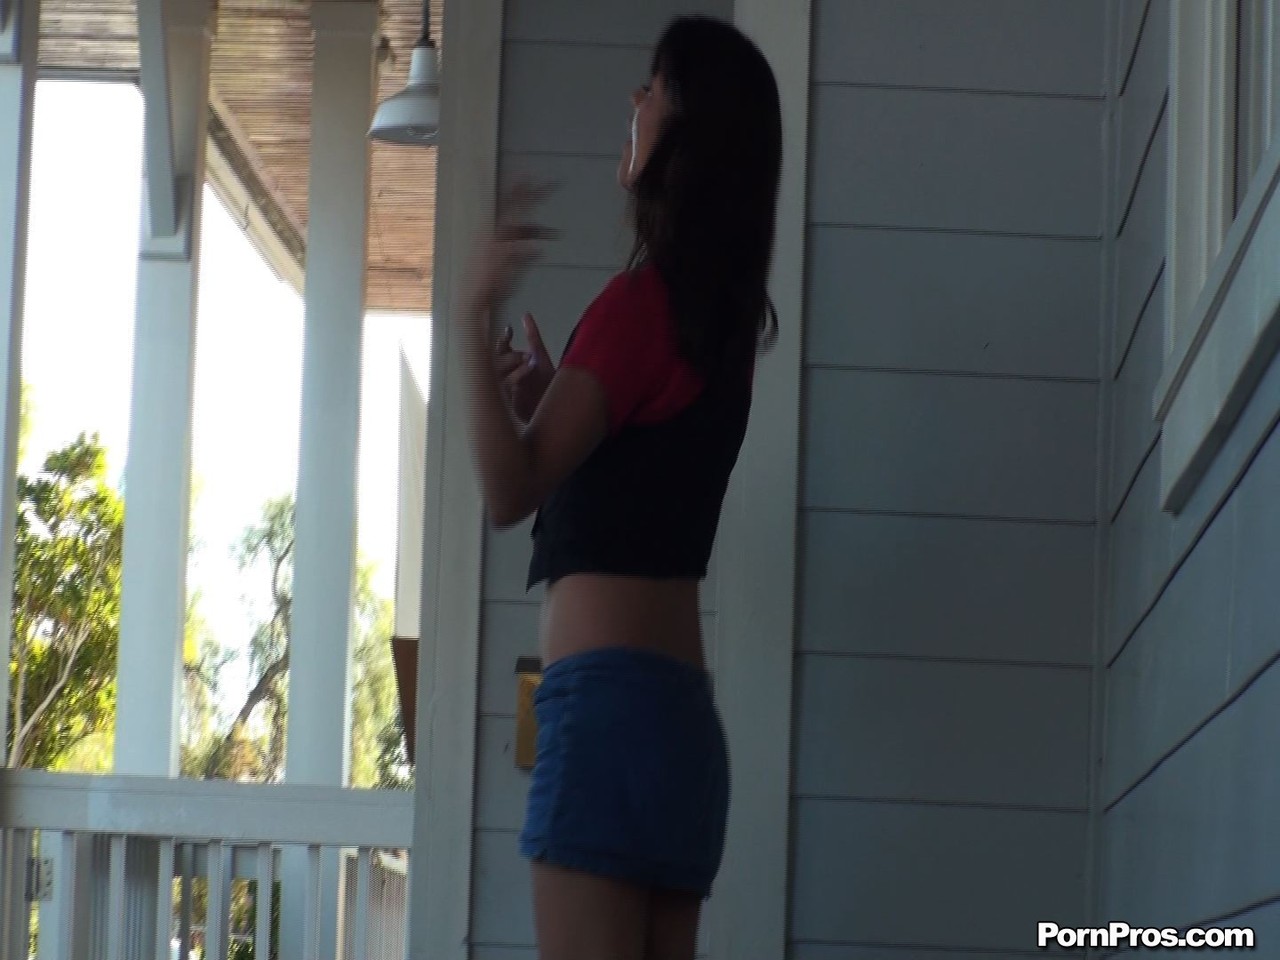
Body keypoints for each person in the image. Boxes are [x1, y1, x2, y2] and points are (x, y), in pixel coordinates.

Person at [454, 15, 782, 960]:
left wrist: (469, 312)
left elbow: (508, 489)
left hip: (602, 715)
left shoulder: (636, 306)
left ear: (690, 139)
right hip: (681, 728)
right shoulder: (717, 332)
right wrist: (555, 406)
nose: (634, 101)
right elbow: (641, 482)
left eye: (654, 87)